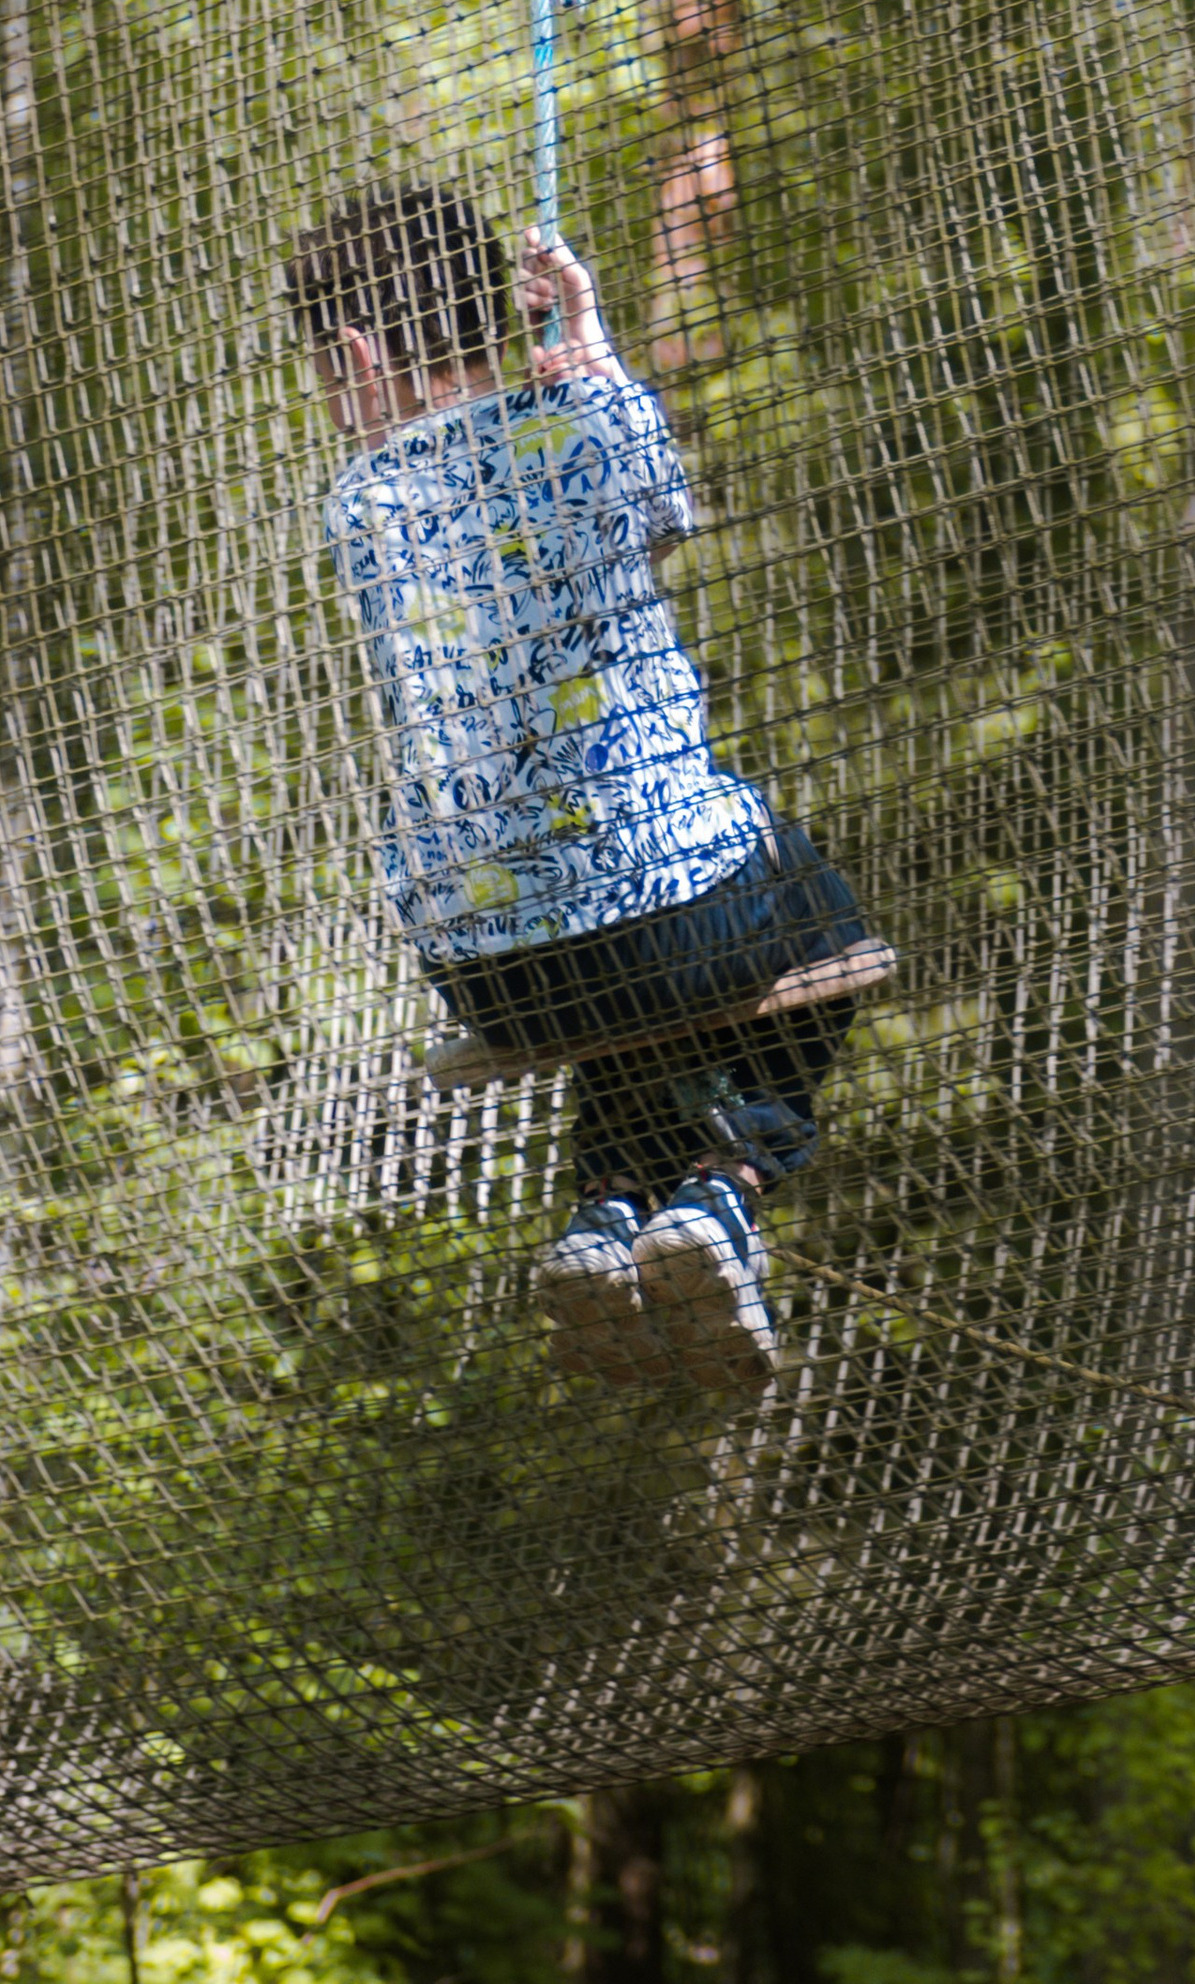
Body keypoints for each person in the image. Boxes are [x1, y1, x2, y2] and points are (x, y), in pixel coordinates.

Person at [281, 180, 875, 1399]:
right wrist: (596, 363)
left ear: (355, 355)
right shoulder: (596, 426)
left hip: (489, 968)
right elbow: (656, 528)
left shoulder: (359, 504)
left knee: (608, 934)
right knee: (812, 920)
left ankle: (609, 1211)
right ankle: (726, 1187)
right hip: (676, 928)